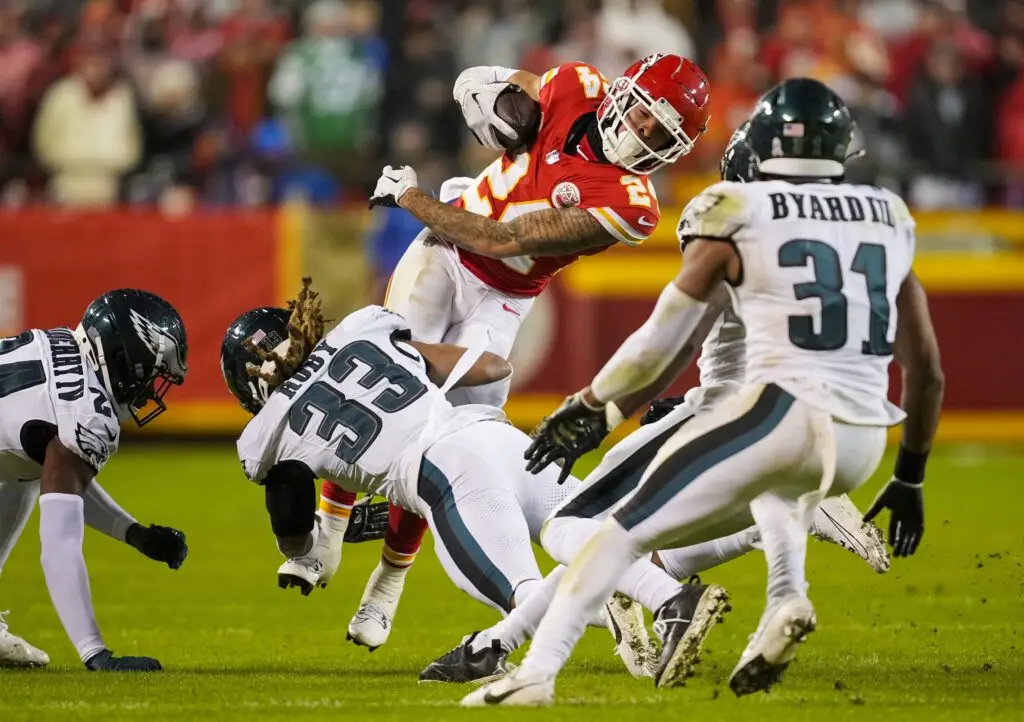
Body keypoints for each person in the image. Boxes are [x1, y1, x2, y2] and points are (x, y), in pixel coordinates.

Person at [466, 77, 944, 706]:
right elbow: (927, 371)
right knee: (731, 508)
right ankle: (785, 591)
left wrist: (596, 405)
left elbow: (670, 341)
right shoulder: (887, 214)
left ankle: (537, 670)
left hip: (766, 412)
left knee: (594, 524)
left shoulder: (734, 210)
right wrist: (910, 478)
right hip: (865, 437)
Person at [335, 52, 712, 652]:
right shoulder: (577, 83)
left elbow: (503, 238)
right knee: (389, 380)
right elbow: (514, 90)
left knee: (452, 432)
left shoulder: (632, 206)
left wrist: (410, 197)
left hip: (503, 292)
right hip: (446, 254)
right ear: (622, 94)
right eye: (645, 118)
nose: (645, 136)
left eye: (661, 135)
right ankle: (326, 534)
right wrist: (489, 98)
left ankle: (388, 580)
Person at [0, 290, 191, 671]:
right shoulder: (87, 411)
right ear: (123, 358)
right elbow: (59, 543)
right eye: (151, 375)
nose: (151, 391)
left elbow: (62, 476)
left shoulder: (60, 343)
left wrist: (133, 532)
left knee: (23, 472)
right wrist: (94, 652)